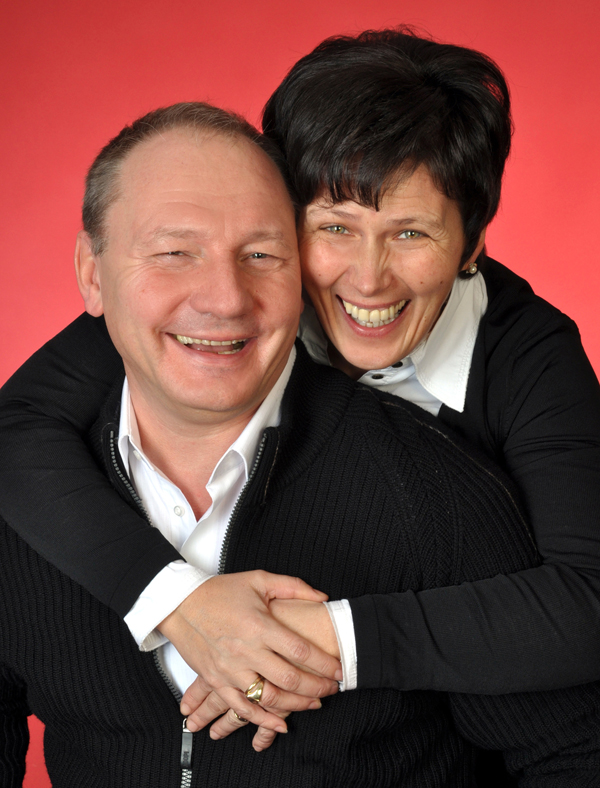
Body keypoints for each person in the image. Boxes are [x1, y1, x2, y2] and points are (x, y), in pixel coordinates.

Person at [1, 25, 600, 764]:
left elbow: (589, 606)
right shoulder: (207, 314)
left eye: (411, 233)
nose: (369, 279)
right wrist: (177, 601)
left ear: (473, 242)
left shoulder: (526, 359)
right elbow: (17, 427)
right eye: (335, 228)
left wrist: (325, 639)